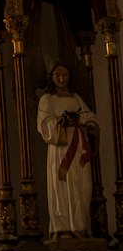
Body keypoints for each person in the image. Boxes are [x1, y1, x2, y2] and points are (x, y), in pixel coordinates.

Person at [36, 61, 98, 240]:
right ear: (52, 78)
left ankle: (80, 227)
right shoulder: (48, 100)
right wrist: (61, 123)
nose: (61, 79)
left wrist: (90, 124)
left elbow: (90, 117)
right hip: (61, 149)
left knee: (83, 187)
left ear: (70, 77)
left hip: (78, 148)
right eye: (58, 75)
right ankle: (62, 228)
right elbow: (44, 123)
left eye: (64, 75)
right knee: (61, 186)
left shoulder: (76, 98)